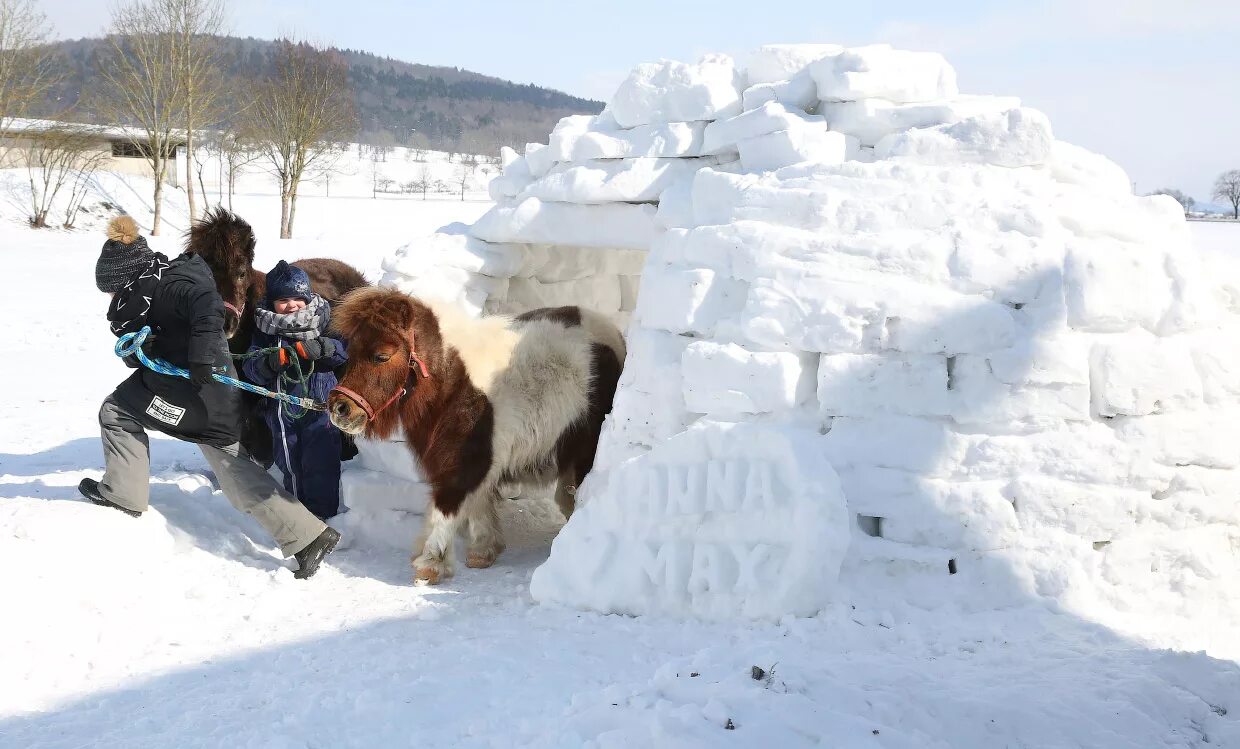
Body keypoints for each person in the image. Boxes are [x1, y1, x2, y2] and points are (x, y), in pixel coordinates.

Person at [78, 215, 340, 579]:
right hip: (205, 398)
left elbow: (205, 305)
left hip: (196, 391)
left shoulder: (178, 281)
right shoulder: (152, 292)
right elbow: (150, 343)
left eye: (111, 289)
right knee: (231, 466)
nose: (110, 298)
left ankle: (124, 493)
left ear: (125, 279)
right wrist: (139, 350)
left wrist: (201, 357)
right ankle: (309, 537)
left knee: (116, 412)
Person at [242, 260, 347, 520]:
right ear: (272, 302)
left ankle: (324, 515)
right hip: (281, 410)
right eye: (283, 300)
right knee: (290, 463)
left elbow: (344, 351)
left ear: (308, 296)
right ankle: (300, 516)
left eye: (298, 298)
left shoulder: (324, 320)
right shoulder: (265, 329)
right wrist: (270, 362)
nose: (291, 306)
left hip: (320, 407)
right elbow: (250, 367)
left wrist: (324, 349)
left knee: (322, 461)